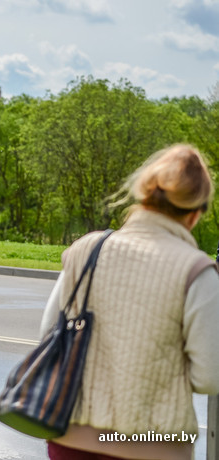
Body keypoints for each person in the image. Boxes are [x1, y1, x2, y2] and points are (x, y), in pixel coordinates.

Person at [40, 144, 219, 460]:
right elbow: (209, 377)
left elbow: (48, 335)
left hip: (71, 436)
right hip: (155, 445)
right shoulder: (197, 272)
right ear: (195, 213)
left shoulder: (87, 249)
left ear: (144, 196)